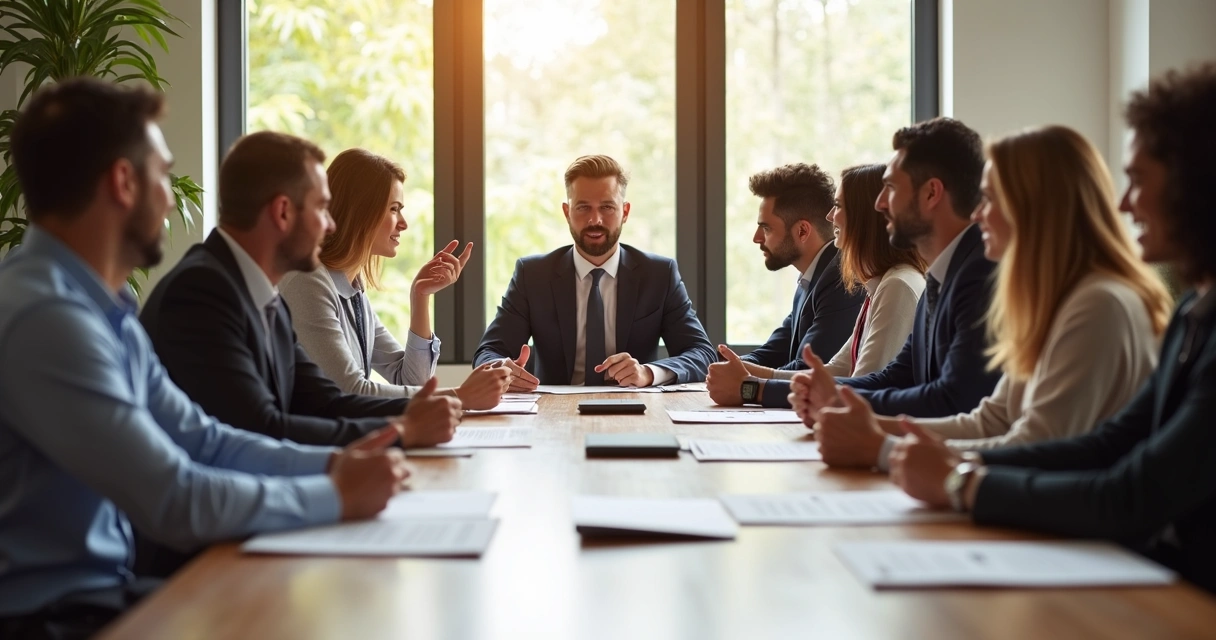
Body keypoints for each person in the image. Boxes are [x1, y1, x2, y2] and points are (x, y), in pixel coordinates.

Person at [0, 78, 422, 638]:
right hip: (48, 616)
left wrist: (333, 466)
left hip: (103, 591)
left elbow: (204, 438)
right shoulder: (47, 317)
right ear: (124, 183)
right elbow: (174, 495)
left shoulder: (104, 307)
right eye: (163, 174)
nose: (171, 197)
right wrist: (334, 493)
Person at [887, 63, 1216, 594]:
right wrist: (933, 461)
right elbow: (1107, 444)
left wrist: (954, 478)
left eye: (1138, 180)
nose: (1126, 203)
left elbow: (1133, 492)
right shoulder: (1191, 314)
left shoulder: (1102, 304)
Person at [809, 125, 1172, 468]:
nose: (978, 214)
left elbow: (1035, 444)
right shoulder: (1053, 300)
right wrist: (867, 430)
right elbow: (991, 420)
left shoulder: (1098, 303)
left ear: (1031, 206)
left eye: (989, 199)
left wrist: (883, 449)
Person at [141, 132, 461, 449]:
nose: (331, 225)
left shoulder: (265, 296)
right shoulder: (201, 293)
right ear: (283, 212)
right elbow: (259, 431)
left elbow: (326, 401)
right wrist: (404, 432)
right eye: (322, 208)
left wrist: (429, 413)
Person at [788, 117, 1001, 466]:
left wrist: (841, 402)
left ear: (931, 193)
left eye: (891, 188)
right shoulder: (940, 273)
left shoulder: (979, 273)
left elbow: (953, 399)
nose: (879, 204)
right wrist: (832, 394)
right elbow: (897, 377)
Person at [279, 148, 509, 408]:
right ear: (359, 211)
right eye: (394, 209)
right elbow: (349, 390)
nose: (403, 223)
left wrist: (420, 296)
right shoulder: (307, 281)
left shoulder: (351, 287)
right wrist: (459, 396)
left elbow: (411, 380)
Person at [473, 154, 715, 387]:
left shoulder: (659, 275)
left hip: (635, 408)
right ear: (567, 213)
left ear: (625, 212)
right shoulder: (533, 275)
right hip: (552, 413)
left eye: (607, 207)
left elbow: (702, 354)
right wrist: (501, 371)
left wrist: (648, 372)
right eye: (583, 208)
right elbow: (488, 353)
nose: (595, 220)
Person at [710, 163, 925, 406]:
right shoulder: (880, 285)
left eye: (839, 206)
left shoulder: (897, 285)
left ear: (865, 215)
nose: (830, 216)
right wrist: (752, 374)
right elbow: (836, 371)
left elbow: (863, 385)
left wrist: (752, 387)